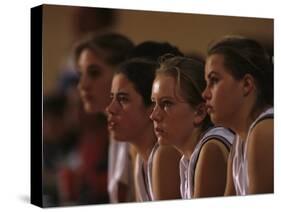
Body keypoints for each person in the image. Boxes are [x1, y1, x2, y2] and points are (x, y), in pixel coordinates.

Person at [150, 55, 234, 199]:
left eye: (166, 104)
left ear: (200, 112)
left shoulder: (211, 148)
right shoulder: (188, 157)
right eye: (154, 103)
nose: (154, 115)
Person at [202, 35, 274, 195]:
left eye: (214, 80)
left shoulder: (265, 130)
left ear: (247, 84)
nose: (205, 94)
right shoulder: (240, 139)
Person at [68, 32, 135, 204]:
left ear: (123, 75)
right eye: (81, 74)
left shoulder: (138, 133)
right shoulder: (113, 128)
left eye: (94, 73)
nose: (82, 85)